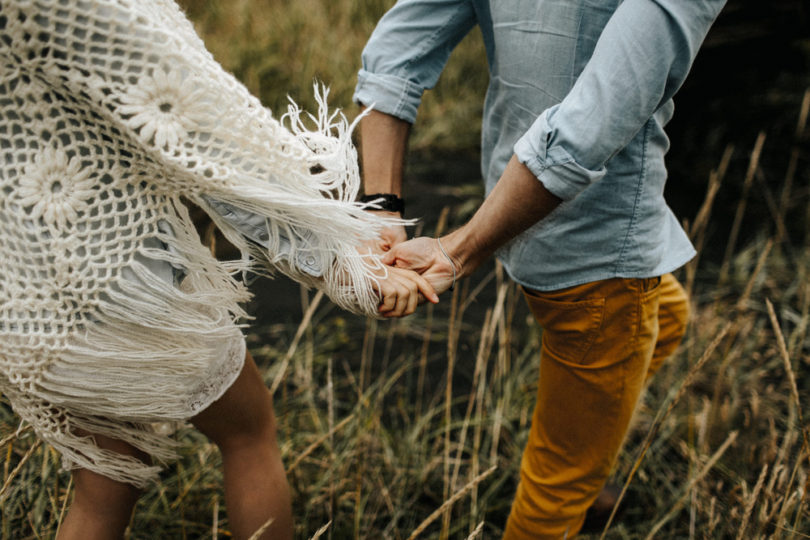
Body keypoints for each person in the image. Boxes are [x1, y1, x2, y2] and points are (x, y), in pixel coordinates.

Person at [0, 1, 435, 539]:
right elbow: (194, 130)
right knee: (248, 432)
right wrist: (342, 261)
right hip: (108, 281)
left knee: (106, 485)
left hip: (22, 295)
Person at [355, 1, 726, 537]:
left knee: (668, 315)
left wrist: (386, 205)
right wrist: (440, 242)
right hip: (598, 247)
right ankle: (578, 472)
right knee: (554, 490)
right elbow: (591, 122)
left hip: (515, 208)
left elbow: (393, 55)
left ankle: (584, 446)